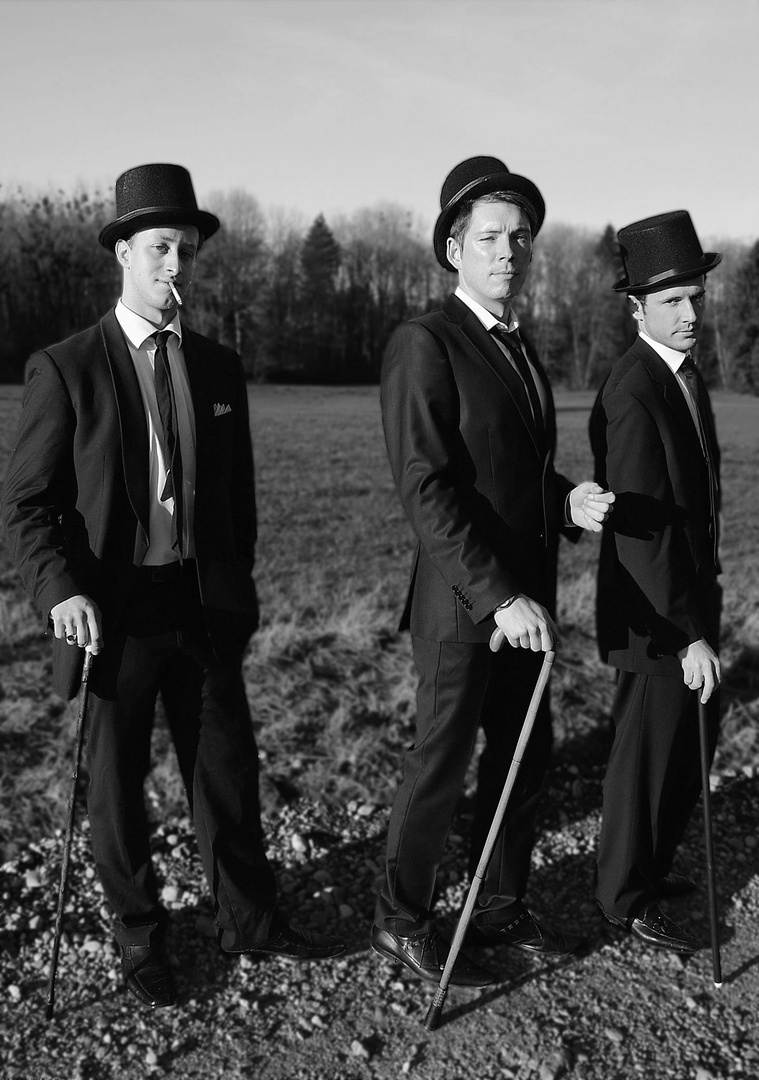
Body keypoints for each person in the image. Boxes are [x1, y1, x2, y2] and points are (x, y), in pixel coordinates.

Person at [2, 163, 343, 1010]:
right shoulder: (66, 367)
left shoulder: (219, 369)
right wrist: (60, 593)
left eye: (186, 251)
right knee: (116, 789)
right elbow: (27, 507)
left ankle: (249, 919)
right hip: (110, 613)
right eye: (159, 248)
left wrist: (238, 590)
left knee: (227, 770)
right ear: (122, 252)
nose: (175, 267)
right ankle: (140, 939)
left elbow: (239, 501)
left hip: (203, 603)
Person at [371, 156, 615, 987]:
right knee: (439, 763)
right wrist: (498, 594)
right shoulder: (424, 342)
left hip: (527, 600)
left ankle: (497, 909)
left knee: (527, 754)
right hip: (462, 603)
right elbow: (427, 486)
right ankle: (400, 919)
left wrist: (563, 501)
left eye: (520, 238)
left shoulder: (518, 346)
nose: (508, 251)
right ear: (452, 247)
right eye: (489, 237)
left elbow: (507, 474)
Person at [590, 210, 722, 954]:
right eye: (672, 300)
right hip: (654, 617)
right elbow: (638, 532)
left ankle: (652, 868)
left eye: (695, 296)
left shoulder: (682, 375)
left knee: (682, 746)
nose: (690, 313)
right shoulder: (633, 388)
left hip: (689, 600)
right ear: (636, 306)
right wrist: (686, 633)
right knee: (641, 758)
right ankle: (621, 897)